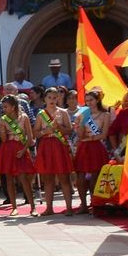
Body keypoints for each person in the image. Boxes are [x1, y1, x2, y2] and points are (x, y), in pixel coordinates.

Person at [32, 87, 75, 215]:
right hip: (46, 146)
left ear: (58, 98)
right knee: (48, 178)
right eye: (49, 97)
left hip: (59, 145)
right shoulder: (41, 114)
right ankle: (49, 208)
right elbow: (36, 132)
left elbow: (69, 130)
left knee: (64, 177)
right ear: (44, 99)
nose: (52, 100)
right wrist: (46, 131)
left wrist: (59, 127)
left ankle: (69, 208)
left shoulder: (63, 113)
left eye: (54, 97)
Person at [72, 90, 112, 215]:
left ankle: (95, 203)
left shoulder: (105, 115)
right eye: (87, 100)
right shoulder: (83, 114)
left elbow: (104, 134)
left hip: (96, 147)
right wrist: (81, 122)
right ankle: (83, 205)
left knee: (95, 176)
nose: (89, 103)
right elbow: (80, 135)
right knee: (80, 177)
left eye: (91, 100)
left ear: (97, 100)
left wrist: (90, 138)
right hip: (84, 147)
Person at [0, 94, 36, 214]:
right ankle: (14, 207)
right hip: (8, 148)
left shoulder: (24, 117)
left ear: (13, 107)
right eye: (3, 107)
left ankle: (32, 207)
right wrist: (2, 129)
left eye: (5, 107)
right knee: (9, 178)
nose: (4, 109)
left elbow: (30, 136)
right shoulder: (3, 119)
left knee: (24, 178)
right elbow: (3, 139)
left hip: (21, 148)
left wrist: (24, 150)